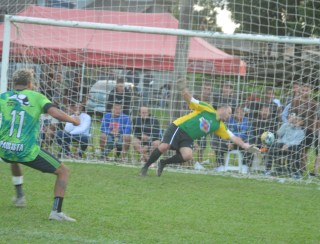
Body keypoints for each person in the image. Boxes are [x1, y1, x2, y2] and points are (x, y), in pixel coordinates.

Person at [0, 69, 80, 221]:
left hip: (4, 149)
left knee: (13, 159)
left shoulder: (3, 97)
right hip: (25, 150)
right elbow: (55, 114)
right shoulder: (37, 97)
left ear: (13, 83)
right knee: (63, 171)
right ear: (30, 84)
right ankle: (56, 212)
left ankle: (19, 196)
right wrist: (74, 120)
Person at [140, 78, 259, 177]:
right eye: (229, 113)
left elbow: (233, 137)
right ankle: (145, 168)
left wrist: (244, 145)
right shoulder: (207, 108)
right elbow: (190, 99)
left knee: (187, 155)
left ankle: (163, 163)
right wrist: (183, 89)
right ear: (222, 109)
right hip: (179, 127)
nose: (229, 116)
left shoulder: (220, 126)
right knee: (164, 146)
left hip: (189, 137)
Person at [213, 107, 253, 173]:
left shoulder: (248, 122)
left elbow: (251, 135)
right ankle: (220, 165)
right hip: (230, 143)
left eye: (241, 112)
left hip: (242, 143)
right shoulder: (228, 121)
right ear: (234, 114)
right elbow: (223, 132)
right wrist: (227, 142)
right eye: (237, 112)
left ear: (244, 113)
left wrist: (244, 141)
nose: (239, 114)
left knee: (250, 147)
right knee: (219, 146)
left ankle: (245, 165)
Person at [264, 113, 305, 178]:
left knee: (296, 149)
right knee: (273, 146)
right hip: (281, 145)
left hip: (291, 148)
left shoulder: (301, 132)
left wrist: (288, 145)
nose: (296, 121)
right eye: (295, 119)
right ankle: (267, 170)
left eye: (298, 120)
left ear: (302, 122)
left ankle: (295, 172)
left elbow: (297, 142)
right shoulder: (287, 126)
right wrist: (287, 123)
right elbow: (279, 134)